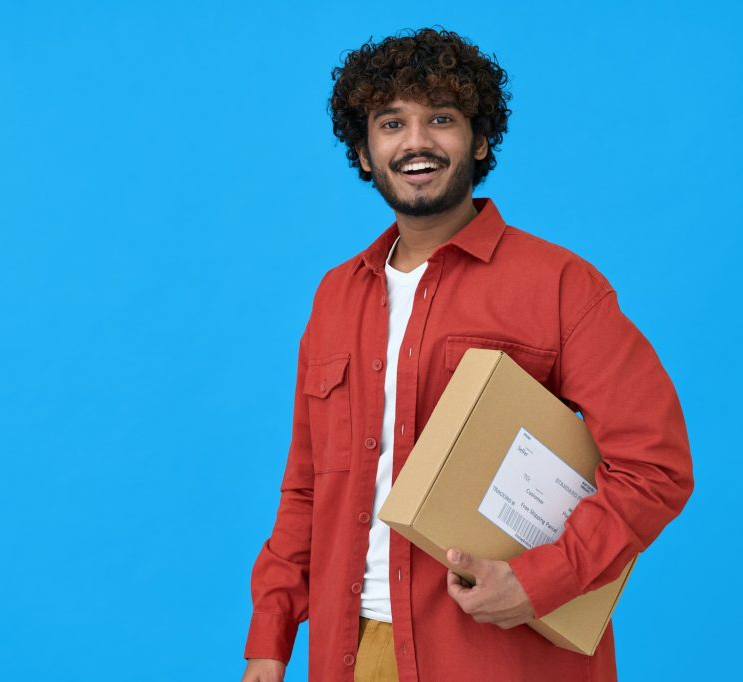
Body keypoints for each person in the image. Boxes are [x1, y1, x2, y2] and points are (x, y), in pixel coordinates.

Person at [241, 27, 693, 682]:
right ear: (364, 152)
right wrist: (270, 639)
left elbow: (656, 466)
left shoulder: (560, 285)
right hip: (351, 652)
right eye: (391, 123)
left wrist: (541, 579)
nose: (416, 141)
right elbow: (307, 488)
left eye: (441, 119)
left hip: (500, 656)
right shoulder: (335, 297)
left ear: (479, 140)